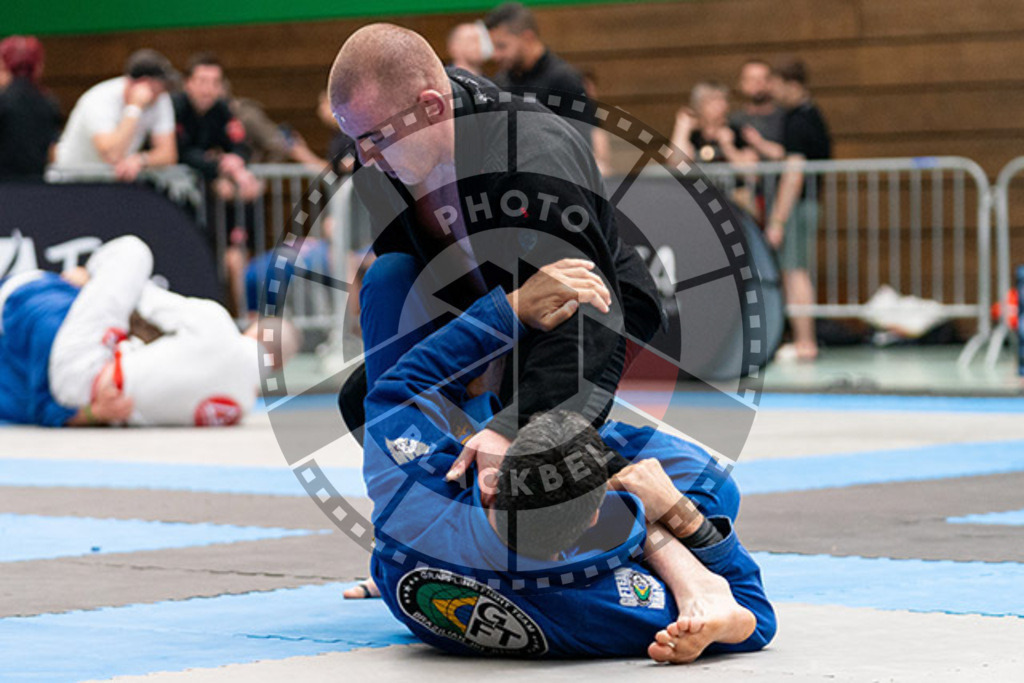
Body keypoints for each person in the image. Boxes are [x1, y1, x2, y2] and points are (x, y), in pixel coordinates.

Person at [356, 253, 776, 662]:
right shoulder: (591, 601)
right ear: (595, 523)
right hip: (495, 563)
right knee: (714, 490)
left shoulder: (411, 501)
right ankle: (680, 554)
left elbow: (395, 388)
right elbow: (754, 618)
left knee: (388, 276)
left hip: (408, 562)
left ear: (491, 481)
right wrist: (681, 515)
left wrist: (514, 308)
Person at [328, 22, 663, 478]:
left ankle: (652, 491)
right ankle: (429, 486)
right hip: (486, 305)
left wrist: (512, 427)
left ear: (430, 107)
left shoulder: (531, 160)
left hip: (591, 310)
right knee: (369, 396)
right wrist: (467, 372)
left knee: (524, 459)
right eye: (356, 140)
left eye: (377, 138)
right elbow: (418, 286)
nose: (366, 158)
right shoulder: (378, 167)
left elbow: (588, 306)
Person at [0, 236, 289, 427]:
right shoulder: (239, 408)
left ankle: (88, 272)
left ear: (253, 330)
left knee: (133, 252)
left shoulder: (218, 325)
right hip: (92, 402)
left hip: (80, 359)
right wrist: (92, 414)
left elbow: (147, 298)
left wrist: (94, 281)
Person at [764, 60, 832, 362]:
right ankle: (804, 340)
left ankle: (805, 342)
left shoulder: (799, 121)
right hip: (806, 204)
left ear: (792, 84)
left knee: (795, 272)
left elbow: (794, 173)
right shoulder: (809, 115)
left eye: (776, 85)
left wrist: (777, 219)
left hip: (798, 206)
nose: (773, 93)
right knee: (795, 270)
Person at [54, 49, 178, 181]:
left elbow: (168, 154)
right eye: (160, 85)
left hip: (111, 181)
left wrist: (140, 160)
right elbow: (112, 155)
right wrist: (134, 107)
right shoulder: (98, 99)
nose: (162, 92)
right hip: (73, 179)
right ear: (142, 83)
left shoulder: (160, 99)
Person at [0, 36, 62, 180]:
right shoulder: (49, 102)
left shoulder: (3, 101)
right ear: (38, 66)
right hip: (35, 190)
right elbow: (52, 153)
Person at [670, 81, 755, 166]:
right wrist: (681, 129)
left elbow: (751, 173)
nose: (722, 105)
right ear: (699, 106)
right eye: (714, 100)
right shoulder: (693, 135)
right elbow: (676, 164)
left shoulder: (735, 131)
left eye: (724, 100)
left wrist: (728, 147)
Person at [731, 59, 787, 162]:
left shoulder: (786, 118)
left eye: (763, 79)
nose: (758, 84)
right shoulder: (733, 121)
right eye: (752, 79)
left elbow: (789, 154)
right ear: (741, 83)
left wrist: (758, 142)